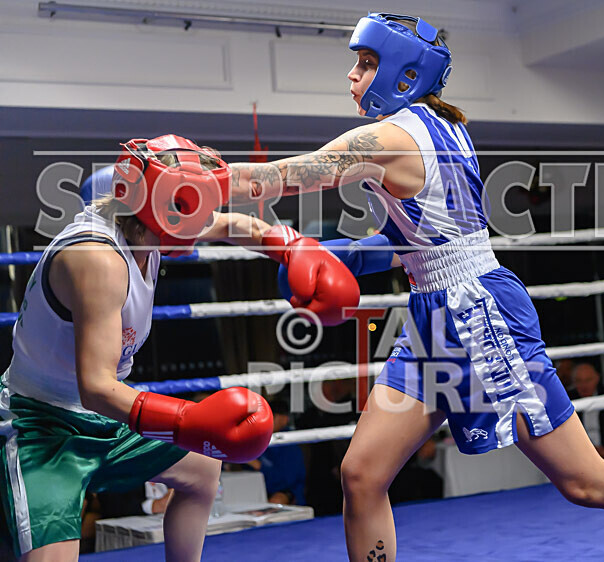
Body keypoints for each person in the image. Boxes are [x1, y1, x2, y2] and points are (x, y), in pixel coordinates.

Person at [228, 13, 604, 561]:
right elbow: (409, 242)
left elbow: (288, 175)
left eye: (365, 63)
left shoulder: (390, 137)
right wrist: (278, 240)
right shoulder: (436, 126)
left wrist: (203, 182)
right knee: (361, 474)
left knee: (582, 480)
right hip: (433, 315)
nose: (352, 75)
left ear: (404, 75)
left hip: (477, 311)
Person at [0, 134, 359, 561]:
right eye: (195, 208)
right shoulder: (97, 260)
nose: (205, 220)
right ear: (164, 206)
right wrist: (188, 419)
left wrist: (291, 248)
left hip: (104, 417)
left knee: (202, 466)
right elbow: (95, 387)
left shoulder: (148, 218)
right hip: (42, 425)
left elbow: (235, 225)